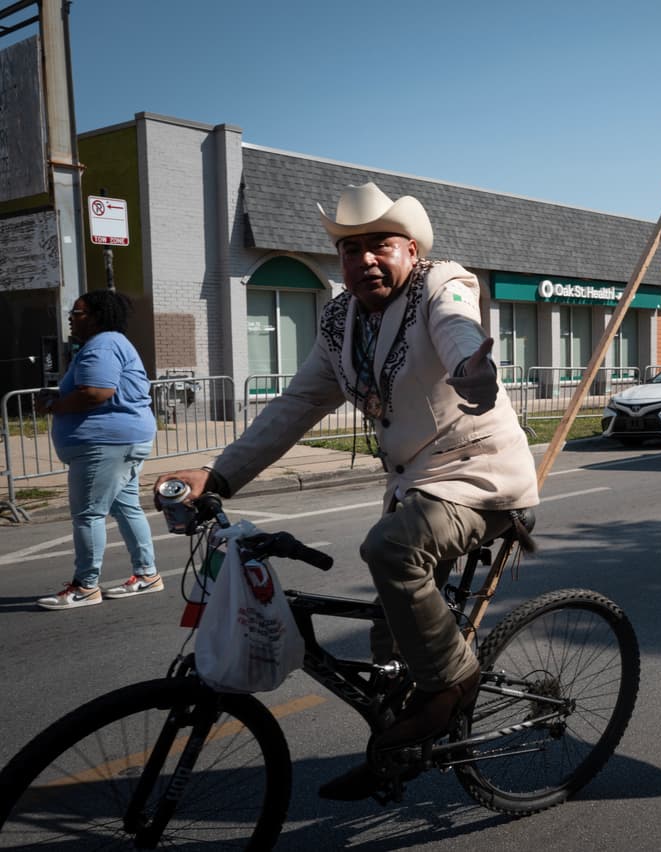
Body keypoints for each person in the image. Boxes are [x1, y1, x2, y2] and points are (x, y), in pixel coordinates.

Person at [155, 182, 539, 801]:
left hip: (479, 476)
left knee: (391, 552)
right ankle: (397, 746)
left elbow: (458, 328)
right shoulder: (340, 321)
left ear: (410, 250)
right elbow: (299, 404)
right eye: (349, 248)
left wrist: (473, 366)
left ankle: (451, 688)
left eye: (379, 244)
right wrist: (218, 475)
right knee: (388, 648)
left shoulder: (442, 284)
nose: (363, 259)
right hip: (415, 485)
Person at [34, 290, 159, 610]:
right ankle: (147, 574)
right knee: (126, 507)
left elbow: (96, 392)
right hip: (121, 441)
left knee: (88, 514)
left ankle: (86, 586)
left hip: (106, 444)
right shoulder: (110, 343)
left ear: (97, 316)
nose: (71, 320)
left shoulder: (102, 345)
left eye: (77, 313)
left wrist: (55, 405)